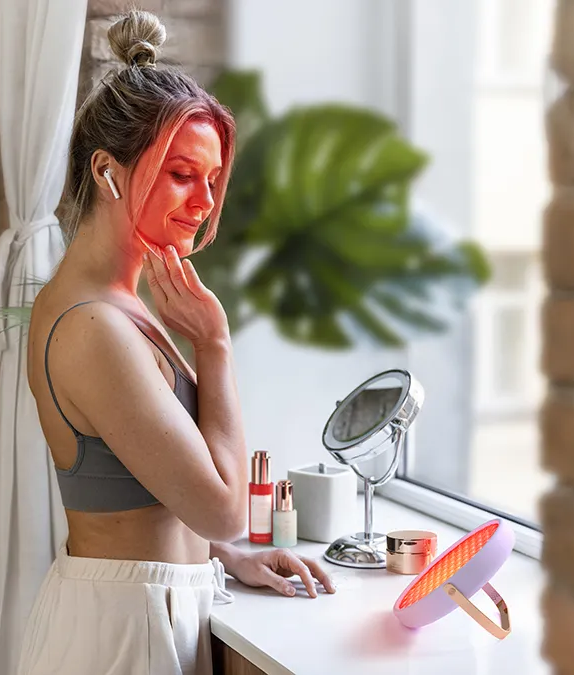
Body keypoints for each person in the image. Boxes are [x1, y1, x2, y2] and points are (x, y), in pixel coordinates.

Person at [17, 9, 335, 675]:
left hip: (148, 609)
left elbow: (160, 494)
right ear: (106, 172)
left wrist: (233, 559)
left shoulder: (123, 303)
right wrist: (214, 344)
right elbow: (223, 508)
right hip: (122, 633)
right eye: (182, 173)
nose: (204, 199)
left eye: (212, 178)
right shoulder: (95, 326)